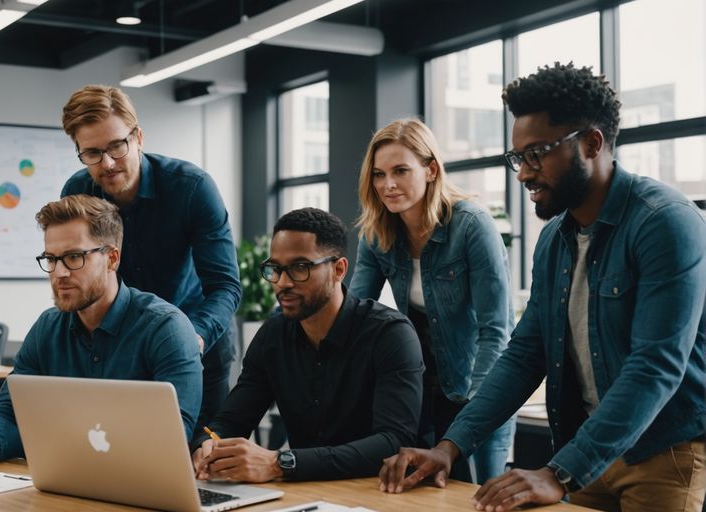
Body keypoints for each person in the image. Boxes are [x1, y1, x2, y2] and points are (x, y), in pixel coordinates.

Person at [379, 63, 706, 512]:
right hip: (584, 451)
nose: (523, 174)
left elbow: (655, 366)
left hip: (661, 454)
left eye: (536, 154)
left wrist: (558, 473)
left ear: (591, 143)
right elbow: (525, 353)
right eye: (518, 158)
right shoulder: (554, 239)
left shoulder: (664, 222)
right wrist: (449, 447)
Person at [0, 195, 202, 471]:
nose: (59, 273)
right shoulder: (47, 328)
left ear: (112, 259)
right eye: (51, 259)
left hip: (140, 484)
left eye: (74, 257)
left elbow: (173, 436)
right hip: (61, 481)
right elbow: (10, 413)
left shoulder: (166, 328)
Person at [190, 208, 423, 483]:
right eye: (275, 269)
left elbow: (393, 441)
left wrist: (280, 463)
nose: (283, 282)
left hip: (383, 491)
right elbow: (231, 421)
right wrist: (207, 444)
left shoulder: (390, 334)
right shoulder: (272, 336)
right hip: (304, 492)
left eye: (300, 267)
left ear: (338, 270)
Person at [59, 85, 241, 429]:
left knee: (204, 454)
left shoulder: (192, 188)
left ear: (138, 137)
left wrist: (189, 339)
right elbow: (81, 275)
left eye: (117, 146)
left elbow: (225, 287)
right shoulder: (77, 193)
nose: (107, 163)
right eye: (92, 153)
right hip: (124, 351)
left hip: (198, 345)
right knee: (121, 450)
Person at [349, 118, 515, 484]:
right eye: (378, 174)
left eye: (400, 171)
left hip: (477, 388)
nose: (388, 185)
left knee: (480, 495)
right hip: (420, 391)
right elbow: (354, 316)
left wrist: (474, 412)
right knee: (423, 493)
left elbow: (496, 332)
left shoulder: (472, 225)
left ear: (431, 170)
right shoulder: (377, 234)